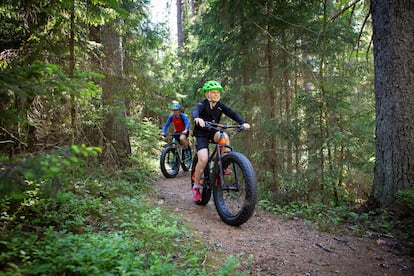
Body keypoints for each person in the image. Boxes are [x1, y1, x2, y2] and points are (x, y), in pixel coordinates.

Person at [191, 80, 250, 202]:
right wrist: (197, 118)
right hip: (201, 134)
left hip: (213, 132)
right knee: (203, 159)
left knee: (224, 137)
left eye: (218, 93)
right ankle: (196, 186)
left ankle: (223, 164)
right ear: (207, 94)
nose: (216, 95)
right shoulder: (202, 104)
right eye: (213, 92)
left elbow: (232, 113)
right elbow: (195, 111)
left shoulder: (220, 105)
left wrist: (242, 122)